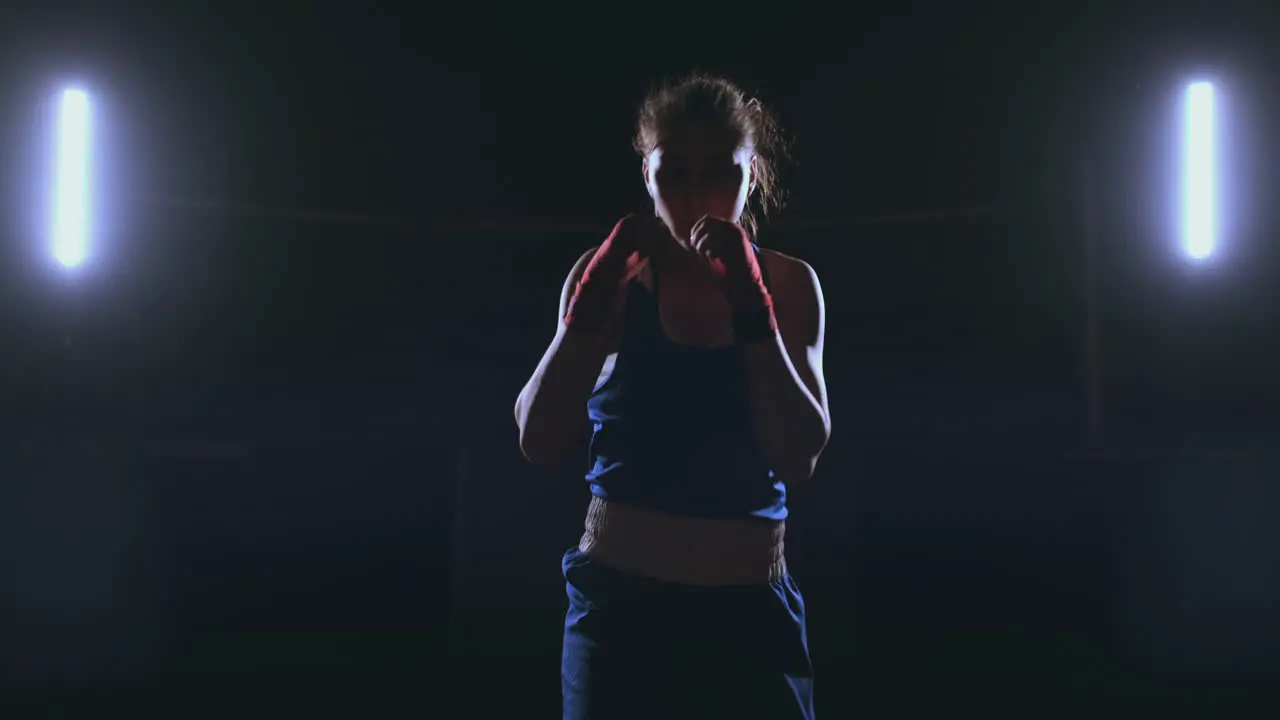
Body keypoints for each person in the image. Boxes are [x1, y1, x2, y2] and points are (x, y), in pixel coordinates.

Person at [514, 73, 830, 720]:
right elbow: (538, 439)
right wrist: (586, 315)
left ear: (753, 174)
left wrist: (753, 311)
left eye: (720, 171)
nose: (695, 193)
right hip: (620, 607)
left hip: (748, 606)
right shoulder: (609, 279)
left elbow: (799, 458)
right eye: (675, 172)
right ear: (646, 172)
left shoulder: (788, 285)